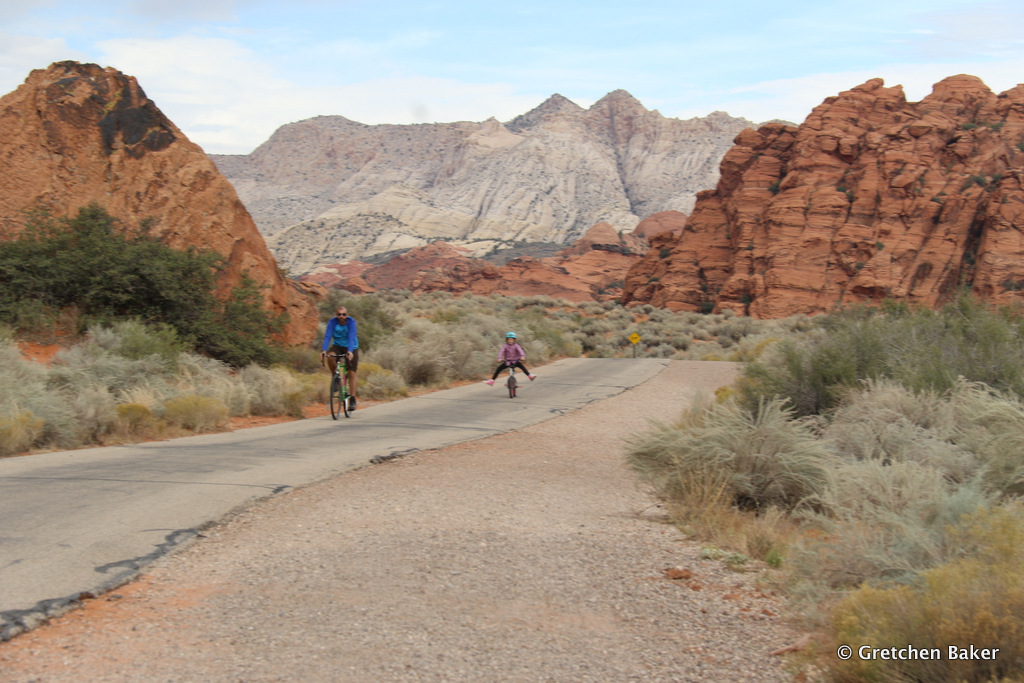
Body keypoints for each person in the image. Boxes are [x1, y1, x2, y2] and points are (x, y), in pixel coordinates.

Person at [321, 306, 359, 409]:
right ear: (336, 315)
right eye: (339, 314)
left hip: (351, 347)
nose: (341, 316)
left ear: (347, 315)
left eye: (343, 314)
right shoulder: (332, 322)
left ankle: (353, 398)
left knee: (351, 372)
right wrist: (324, 350)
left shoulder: (351, 322)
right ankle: (335, 378)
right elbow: (328, 336)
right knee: (331, 356)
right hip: (337, 345)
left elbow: (351, 337)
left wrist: (350, 351)